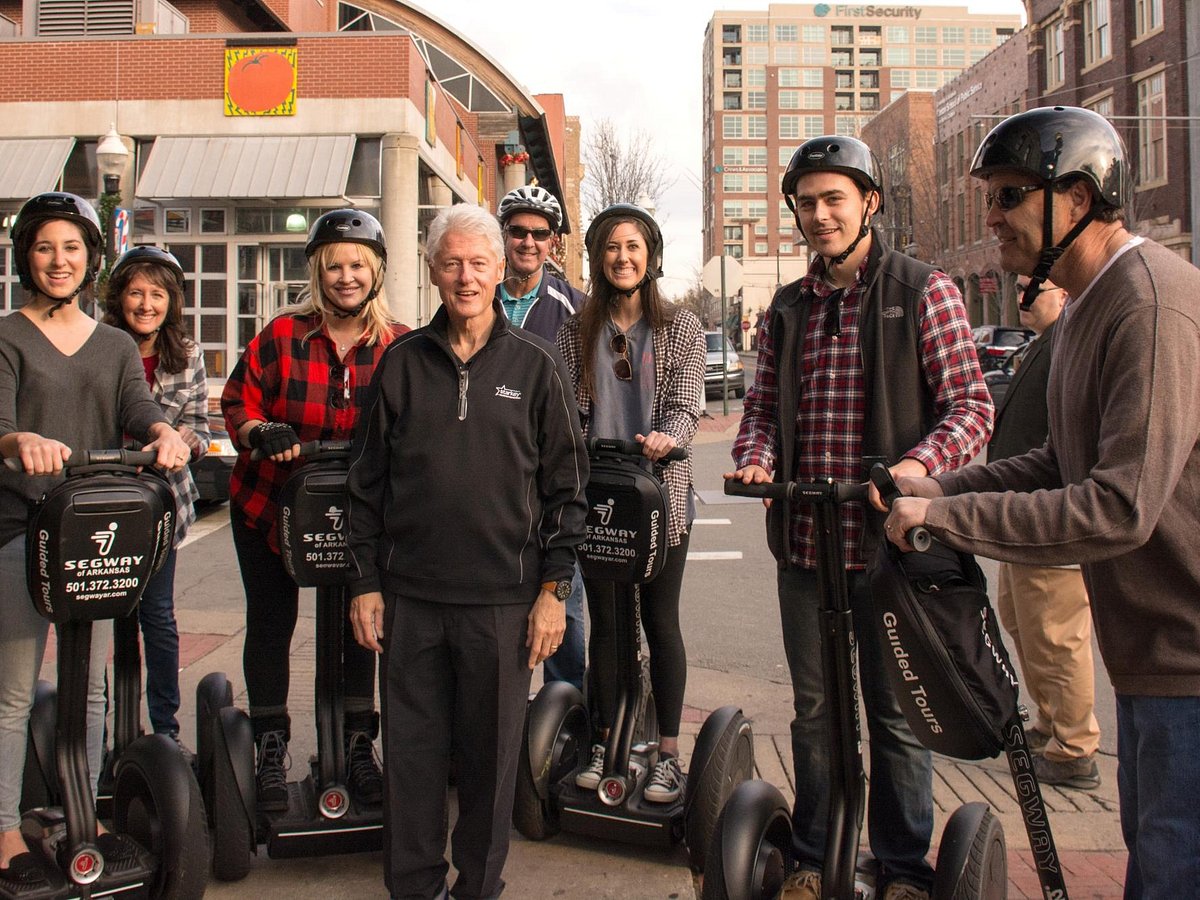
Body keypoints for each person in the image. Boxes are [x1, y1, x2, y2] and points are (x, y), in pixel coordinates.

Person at [884, 106, 1200, 899]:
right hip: (1152, 660)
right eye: (992, 195)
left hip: (1191, 662)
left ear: (1081, 198)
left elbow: (1118, 506)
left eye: (1011, 195)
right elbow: (1057, 463)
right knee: (1157, 859)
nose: (991, 216)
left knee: (1170, 875)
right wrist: (940, 487)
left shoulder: (1150, 304)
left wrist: (948, 518)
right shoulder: (1086, 305)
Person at [725, 137, 993, 900]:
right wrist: (756, 459)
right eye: (806, 202)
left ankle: (904, 869)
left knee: (899, 718)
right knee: (814, 713)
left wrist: (917, 468)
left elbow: (972, 407)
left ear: (869, 202)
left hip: (892, 552)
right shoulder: (787, 306)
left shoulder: (923, 288)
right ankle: (814, 858)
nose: (819, 214)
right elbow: (761, 411)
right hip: (807, 543)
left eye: (834, 198)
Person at [345, 203, 587, 900]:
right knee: (414, 763)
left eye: (478, 262)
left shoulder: (538, 367)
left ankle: (477, 888)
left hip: (503, 608)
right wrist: (365, 582)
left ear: (498, 267)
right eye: (451, 263)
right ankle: (414, 888)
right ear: (432, 271)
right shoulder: (399, 364)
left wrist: (553, 593)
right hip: (411, 603)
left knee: (489, 767)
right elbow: (365, 486)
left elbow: (567, 492)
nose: (466, 276)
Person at [0, 193, 191, 882]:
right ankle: (2, 836)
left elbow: (135, 407)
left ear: (90, 257)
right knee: (15, 692)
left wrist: (164, 432)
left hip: (88, 528)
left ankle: (88, 814)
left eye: (72, 248)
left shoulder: (112, 344)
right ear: (28, 256)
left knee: (89, 688)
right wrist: (20, 440)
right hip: (23, 527)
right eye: (46, 247)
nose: (59, 260)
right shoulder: (8, 334)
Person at [221, 209, 407, 811]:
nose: (345, 276)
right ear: (317, 273)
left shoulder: (399, 345)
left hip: (357, 516)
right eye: (334, 266)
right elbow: (236, 404)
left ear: (375, 272)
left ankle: (357, 742)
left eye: (357, 265)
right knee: (272, 625)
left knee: (362, 625)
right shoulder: (281, 336)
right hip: (270, 504)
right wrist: (259, 432)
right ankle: (270, 745)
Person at [556, 203, 705, 805]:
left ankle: (667, 752)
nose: (623, 257)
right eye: (612, 247)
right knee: (609, 629)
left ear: (652, 257)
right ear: (597, 258)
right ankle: (606, 741)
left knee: (658, 622)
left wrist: (670, 435)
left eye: (634, 247)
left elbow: (688, 401)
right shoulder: (575, 331)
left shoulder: (681, 327)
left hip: (660, 498)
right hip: (600, 503)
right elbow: (568, 412)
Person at [989, 274, 1100, 789]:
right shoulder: (1047, 342)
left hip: (1050, 519)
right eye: (1018, 287)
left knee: (1056, 635)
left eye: (1036, 286)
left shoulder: (1072, 340)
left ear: (1065, 293)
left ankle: (1075, 747)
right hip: (1021, 517)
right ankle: (1050, 723)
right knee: (1023, 621)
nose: (1023, 295)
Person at [102, 246, 210, 754]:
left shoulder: (185, 353)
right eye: (136, 292)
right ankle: (103, 734)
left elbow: (200, 429)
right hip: (101, 501)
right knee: (102, 618)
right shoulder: (96, 345)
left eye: (157, 294)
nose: (146, 304)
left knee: (157, 616)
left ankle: (165, 729)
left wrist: (180, 444)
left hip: (160, 504)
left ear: (172, 301)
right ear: (119, 296)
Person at [495, 185, 587, 691]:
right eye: (518, 231)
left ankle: (566, 722)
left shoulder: (575, 308)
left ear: (554, 242)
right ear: (503, 236)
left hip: (550, 482)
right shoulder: (477, 295)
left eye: (540, 233)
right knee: (498, 620)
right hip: (493, 484)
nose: (528, 242)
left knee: (564, 615)